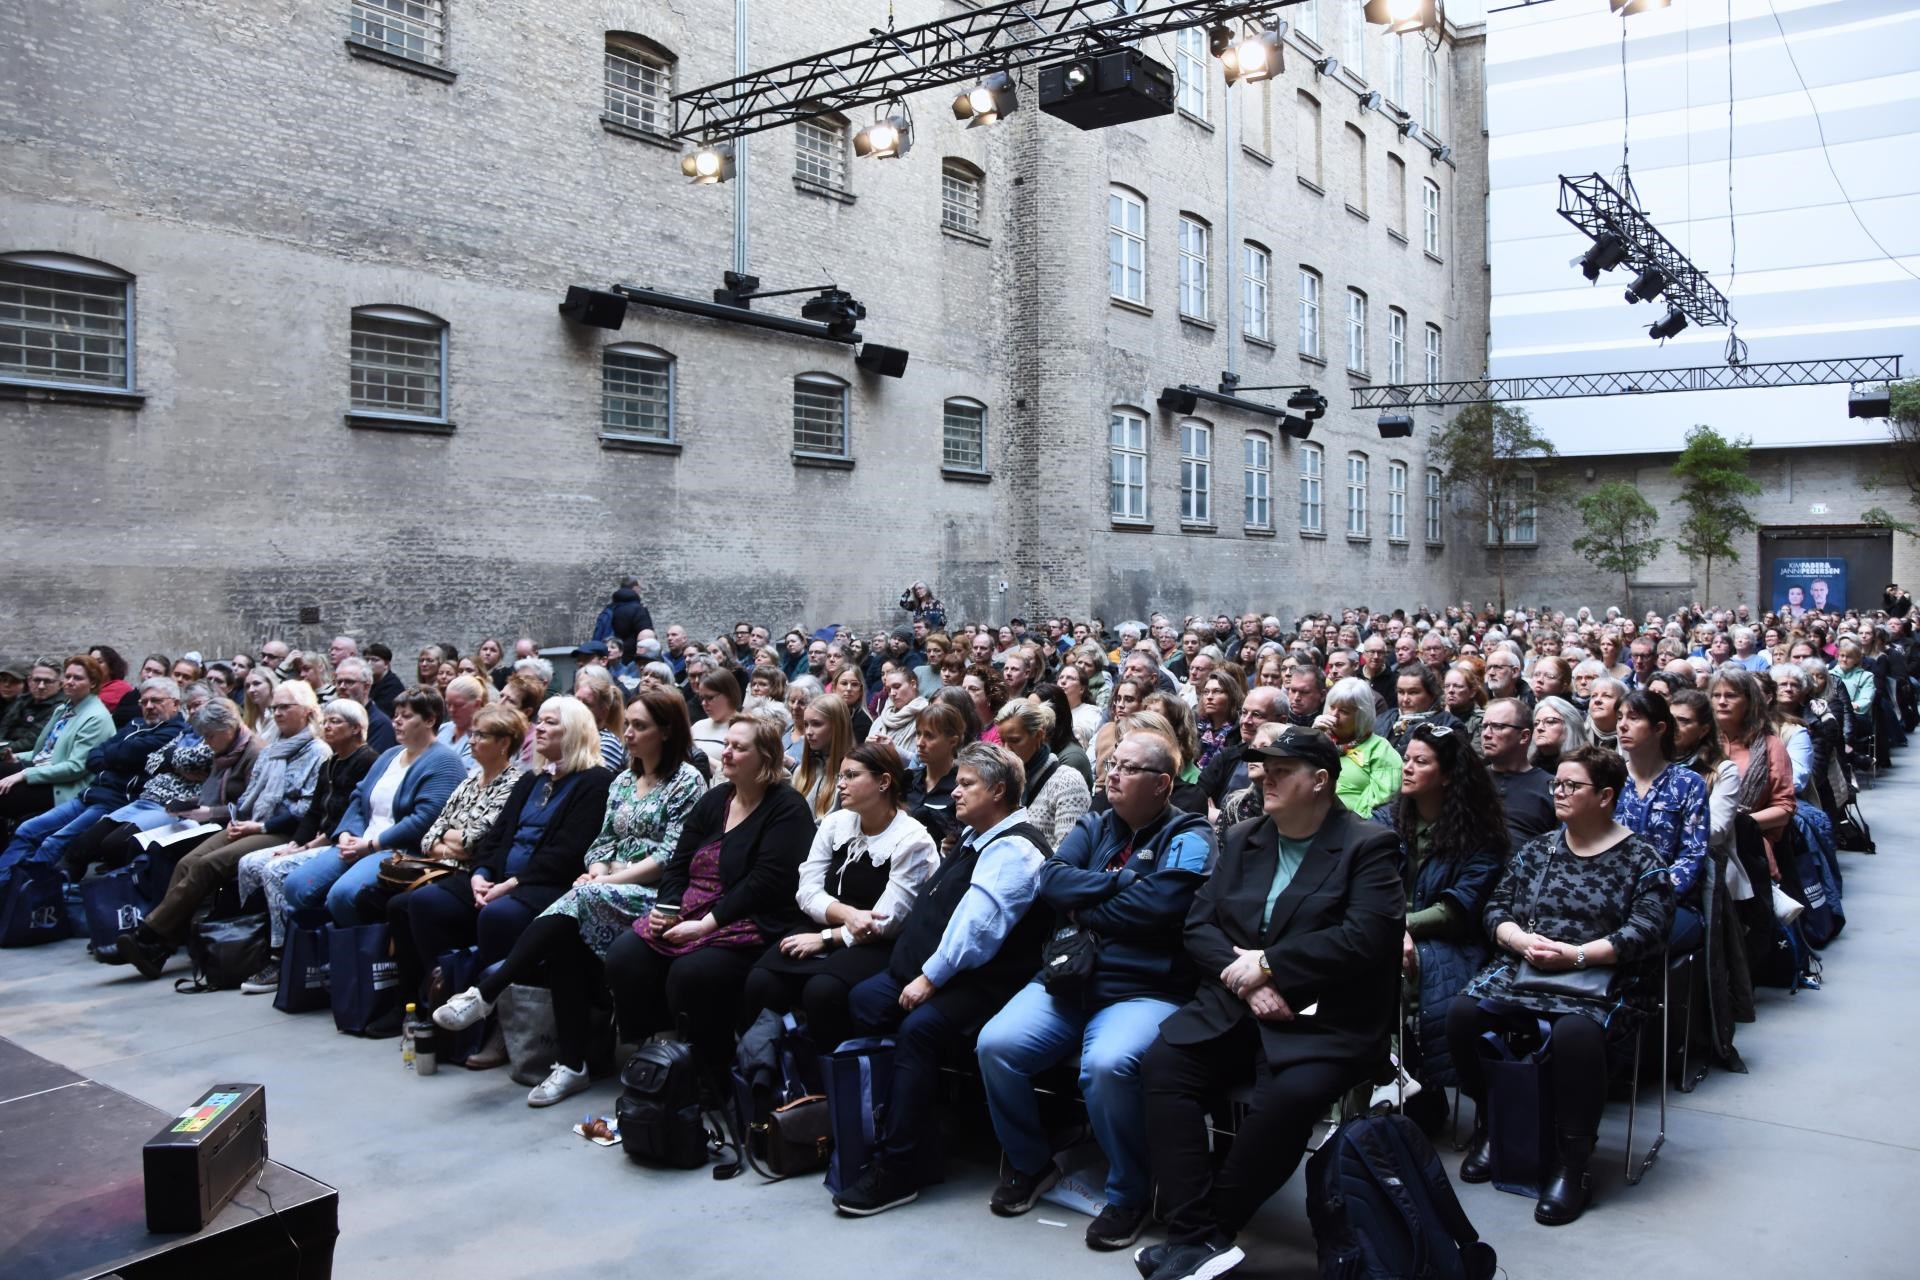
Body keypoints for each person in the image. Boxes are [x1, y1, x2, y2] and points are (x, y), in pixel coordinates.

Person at [1136, 726, 1402, 1280]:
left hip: (1325, 1018)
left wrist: (1270, 964)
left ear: (1321, 781)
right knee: (1165, 1067)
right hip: (1240, 1002)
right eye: (1263, 767)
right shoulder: (1246, 838)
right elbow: (1200, 925)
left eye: (1281, 770)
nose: (1264, 777)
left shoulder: (1367, 846)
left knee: (1285, 1100)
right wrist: (1251, 981)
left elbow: (1363, 939)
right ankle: (1195, 1234)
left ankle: (1210, 1232)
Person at [975, 731, 1216, 1251]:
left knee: (1106, 1066)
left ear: (1162, 783)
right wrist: (1122, 883)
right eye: (1112, 763)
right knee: (996, 1045)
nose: (1112, 774)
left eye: (1128, 768)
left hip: (1145, 988)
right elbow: (1052, 881)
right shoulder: (1095, 822)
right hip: (1069, 977)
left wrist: (1086, 904)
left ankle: (1128, 1192)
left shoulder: (1191, 834)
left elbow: (1163, 908)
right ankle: (1030, 1162)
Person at [435, 691, 705, 1097]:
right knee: (567, 940)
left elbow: (670, 856)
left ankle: (487, 993)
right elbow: (600, 844)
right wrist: (598, 870)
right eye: (627, 724)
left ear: (667, 732)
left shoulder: (687, 781)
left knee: (575, 903)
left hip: (657, 896)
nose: (628, 733)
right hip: (606, 889)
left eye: (640, 726)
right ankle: (572, 1063)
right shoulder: (623, 781)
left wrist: (605, 880)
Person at [1450, 747, 1676, 1227]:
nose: (1560, 793)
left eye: (1572, 786)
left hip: (1604, 978)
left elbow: (1648, 931)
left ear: (1606, 796)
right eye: (1558, 785)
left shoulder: (1643, 859)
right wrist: (1518, 938)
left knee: (1575, 1033)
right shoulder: (1539, 849)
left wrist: (1576, 953)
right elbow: (1496, 908)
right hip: (1531, 968)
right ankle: (1497, 1124)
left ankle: (1573, 1165)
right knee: (1464, 1014)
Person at [833, 744, 1051, 1216]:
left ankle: (901, 1165)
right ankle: (909, 1126)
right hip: (936, 970)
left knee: (921, 1030)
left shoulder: (1014, 848)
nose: (954, 791)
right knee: (863, 1001)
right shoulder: (977, 835)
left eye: (967, 783)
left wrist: (929, 978)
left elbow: (979, 928)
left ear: (998, 790)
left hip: (986, 981)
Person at [382, 697, 614, 1050]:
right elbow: (497, 838)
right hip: (499, 878)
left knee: (497, 916)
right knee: (422, 903)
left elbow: (568, 853)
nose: (540, 729)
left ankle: (499, 1028)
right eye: (540, 721)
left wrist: (509, 884)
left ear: (575, 731)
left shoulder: (594, 782)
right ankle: (448, 988)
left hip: (547, 883)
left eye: (551, 723)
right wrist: (482, 873)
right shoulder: (532, 780)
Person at [603, 715, 814, 1084]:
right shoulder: (717, 799)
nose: (726, 754)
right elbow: (679, 860)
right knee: (625, 955)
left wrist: (706, 924)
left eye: (738, 747)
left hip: (747, 918)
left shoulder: (787, 808)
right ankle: (664, 1050)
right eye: (727, 744)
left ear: (765, 757)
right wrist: (666, 909)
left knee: (693, 974)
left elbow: (763, 884)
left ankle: (710, 1070)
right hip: (692, 908)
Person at [741, 741, 938, 1052]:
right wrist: (846, 915)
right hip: (830, 922)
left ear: (884, 782)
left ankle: (830, 1085)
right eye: (840, 775)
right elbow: (806, 891)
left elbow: (886, 922)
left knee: (823, 991)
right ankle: (768, 1073)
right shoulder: (836, 823)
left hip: (881, 944)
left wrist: (827, 938)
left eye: (850, 775)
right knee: (761, 979)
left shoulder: (912, 840)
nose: (841, 784)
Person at [1389, 721, 1509, 1125]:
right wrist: (1391, 927)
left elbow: (1456, 911)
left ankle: (1409, 1087)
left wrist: (1399, 926)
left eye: (1420, 762)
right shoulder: (1387, 821)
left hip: (1452, 940)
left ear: (1448, 776)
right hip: (1391, 931)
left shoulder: (1481, 836)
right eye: (1406, 759)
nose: (1407, 767)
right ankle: (1382, 1082)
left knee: (1396, 980)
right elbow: (1365, 886)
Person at [273, 687, 467, 929]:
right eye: (395, 714)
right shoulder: (390, 755)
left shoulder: (444, 761)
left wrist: (372, 845)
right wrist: (346, 833)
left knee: (343, 896)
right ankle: (324, 945)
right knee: (296, 886)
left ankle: (362, 952)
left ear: (429, 720)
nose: (396, 721)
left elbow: (424, 819)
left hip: (399, 850)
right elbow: (358, 796)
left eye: (406, 716)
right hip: (362, 841)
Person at [231, 699, 379, 954]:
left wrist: (305, 847)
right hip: (317, 839)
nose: (327, 727)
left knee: (275, 871)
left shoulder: (367, 761)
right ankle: (255, 941)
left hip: (342, 841)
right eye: (326, 721)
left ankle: (283, 952)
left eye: (335, 721)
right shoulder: (329, 764)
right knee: (249, 863)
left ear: (356, 728)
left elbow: (348, 817)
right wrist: (294, 844)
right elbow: (313, 814)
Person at [0, 676, 186, 876]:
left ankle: (27, 895)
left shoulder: (174, 732)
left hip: (116, 802)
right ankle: (5, 886)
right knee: (27, 829)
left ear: (175, 703)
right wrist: (117, 755)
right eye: (144, 702)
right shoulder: (135, 723)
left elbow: (126, 752)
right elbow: (94, 757)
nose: (148, 706)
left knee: (53, 843)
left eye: (156, 701)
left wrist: (115, 754)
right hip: (91, 793)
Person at [1614, 689, 1710, 951]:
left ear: (1659, 728)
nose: (1622, 725)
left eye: (1634, 718)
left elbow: (1692, 856)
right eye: (1620, 717)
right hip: (1605, 894)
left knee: (1636, 937)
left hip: (1668, 901)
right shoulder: (1607, 776)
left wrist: (1648, 895)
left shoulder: (1688, 783)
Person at [0, 655, 116, 828]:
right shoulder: (65, 708)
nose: (69, 682)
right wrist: (17, 757)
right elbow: (46, 751)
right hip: (43, 771)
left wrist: (24, 774)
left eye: (77, 678)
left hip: (64, 787)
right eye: (68, 677)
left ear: (92, 683)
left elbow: (76, 767)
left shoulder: (96, 717)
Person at [1710, 665, 1796, 883]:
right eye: (1716, 695)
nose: (1721, 701)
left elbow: (1784, 808)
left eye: (1731, 695)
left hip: (1751, 847)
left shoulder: (1771, 745)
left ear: (1749, 702)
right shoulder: (1701, 744)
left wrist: (1736, 824)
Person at [993, 698, 1091, 847]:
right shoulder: (1003, 783)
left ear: (1039, 736)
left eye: (1015, 740)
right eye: (1002, 741)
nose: (1006, 749)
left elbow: (1069, 854)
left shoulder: (1068, 782)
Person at [1313, 676, 1401, 816]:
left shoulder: (1379, 749)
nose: (1334, 715)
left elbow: (1379, 802)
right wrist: (1313, 737)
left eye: (1344, 711)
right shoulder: (1318, 739)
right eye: (1332, 707)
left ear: (1362, 715)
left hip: (1350, 827)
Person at [1481, 697, 1558, 847]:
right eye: (1484, 726)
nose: (1486, 734)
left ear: (1524, 736)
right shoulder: (1469, 780)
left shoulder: (1551, 787)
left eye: (1497, 726)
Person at [903, 702, 965, 849]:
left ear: (952, 741)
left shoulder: (963, 787)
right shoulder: (907, 779)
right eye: (918, 734)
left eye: (929, 736)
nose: (919, 743)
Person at [791, 693, 852, 820]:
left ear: (837, 726)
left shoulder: (851, 777)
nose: (808, 732)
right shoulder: (801, 772)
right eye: (806, 724)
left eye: (816, 724)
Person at [0, 661, 61, 763]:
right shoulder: (23, 700)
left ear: (60, 684)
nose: (41, 686)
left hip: (28, 760)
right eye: (37, 680)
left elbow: (31, 742)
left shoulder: (60, 708)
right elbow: (4, 726)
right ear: (29, 681)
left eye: (47, 681)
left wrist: (3, 749)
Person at [573, 665, 629, 771]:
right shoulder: (574, 736)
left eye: (587, 704)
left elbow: (592, 783)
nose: (578, 707)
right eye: (576, 700)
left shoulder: (607, 743)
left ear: (603, 712)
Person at [868, 668, 928, 753]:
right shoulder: (882, 719)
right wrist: (867, 749)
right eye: (888, 689)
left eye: (897, 687)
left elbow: (923, 762)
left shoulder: (928, 716)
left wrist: (894, 750)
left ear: (913, 684)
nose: (892, 693)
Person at [692, 668, 743, 764]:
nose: (704, 703)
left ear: (729, 695)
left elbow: (742, 772)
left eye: (710, 698)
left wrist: (698, 756)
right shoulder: (697, 726)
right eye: (701, 698)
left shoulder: (746, 729)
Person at [436, 674, 489, 767]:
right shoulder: (442, 729)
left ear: (477, 704)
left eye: (458, 705)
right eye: (448, 704)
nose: (451, 710)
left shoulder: (483, 739)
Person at [1528, 695, 1587, 774]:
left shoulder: (1587, 769)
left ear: (1569, 727)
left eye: (1550, 721)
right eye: (1536, 723)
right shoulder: (1525, 768)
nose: (1539, 728)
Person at [1196, 672, 1242, 769]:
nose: (1209, 697)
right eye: (1206, 692)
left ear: (1231, 696)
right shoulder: (1196, 726)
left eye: (1217, 691)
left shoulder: (1240, 731)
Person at [1585, 676, 1626, 750]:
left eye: (1607, 696)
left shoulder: (1635, 739)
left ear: (1622, 704)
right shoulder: (1579, 733)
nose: (1597, 700)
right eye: (1593, 696)